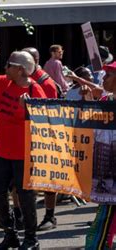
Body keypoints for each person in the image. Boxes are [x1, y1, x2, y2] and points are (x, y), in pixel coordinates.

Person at [0, 47, 46, 249]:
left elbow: (44, 122)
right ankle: (10, 234)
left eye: (10, 64)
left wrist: (25, 109)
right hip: (4, 152)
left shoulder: (35, 91)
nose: (6, 67)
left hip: (25, 153)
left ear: (20, 70)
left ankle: (31, 239)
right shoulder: (5, 83)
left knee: (26, 196)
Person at [23, 47, 59, 231]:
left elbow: (51, 111)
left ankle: (49, 216)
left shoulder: (46, 82)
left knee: (47, 178)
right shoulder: (21, 78)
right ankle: (21, 216)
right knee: (20, 179)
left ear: (33, 60)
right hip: (24, 135)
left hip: (43, 136)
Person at [85, 61, 116, 248]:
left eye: (109, 75)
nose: (103, 79)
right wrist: (88, 104)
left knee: (102, 226)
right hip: (108, 174)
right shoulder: (105, 103)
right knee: (104, 223)